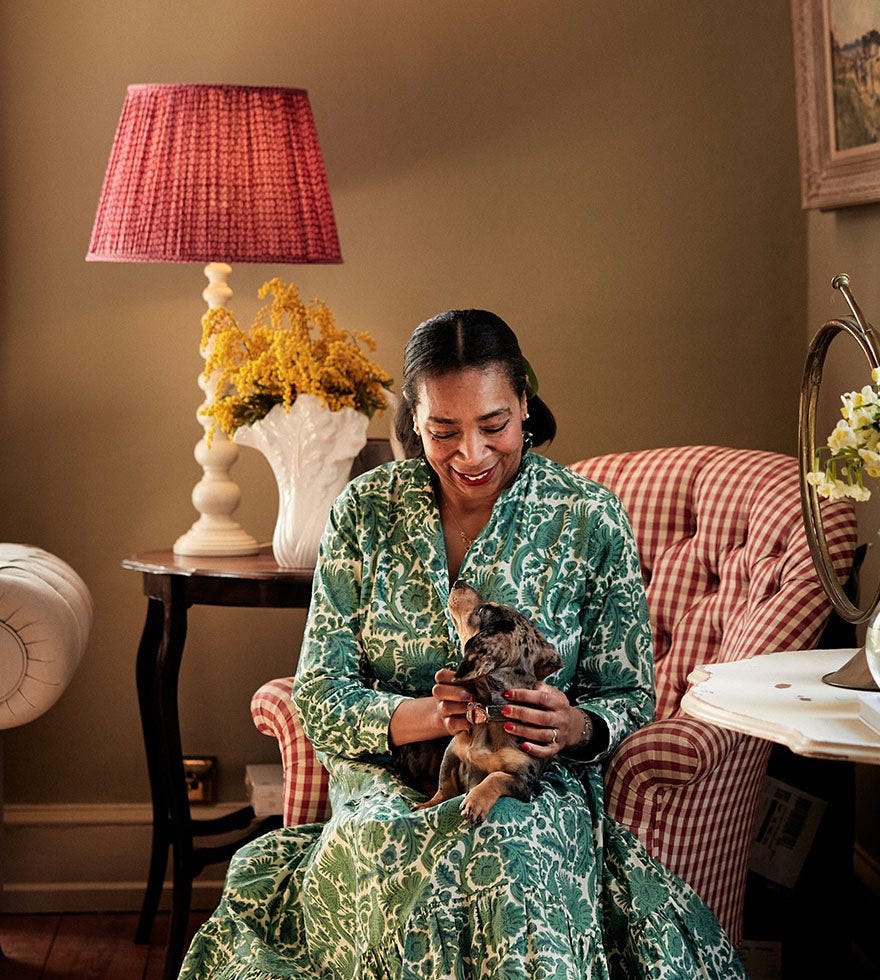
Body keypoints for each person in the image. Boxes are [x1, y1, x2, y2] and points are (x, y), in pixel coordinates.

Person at [179, 309, 747, 978]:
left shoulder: (588, 516)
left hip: (529, 782)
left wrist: (575, 725)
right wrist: (428, 716)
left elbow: (627, 695)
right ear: (414, 424)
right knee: (397, 862)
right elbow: (320, 692)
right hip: (388, 780)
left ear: (525, 407)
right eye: (443, 431)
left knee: (507, 857)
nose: (471, 454)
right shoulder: (364, 511)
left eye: (494, 426)